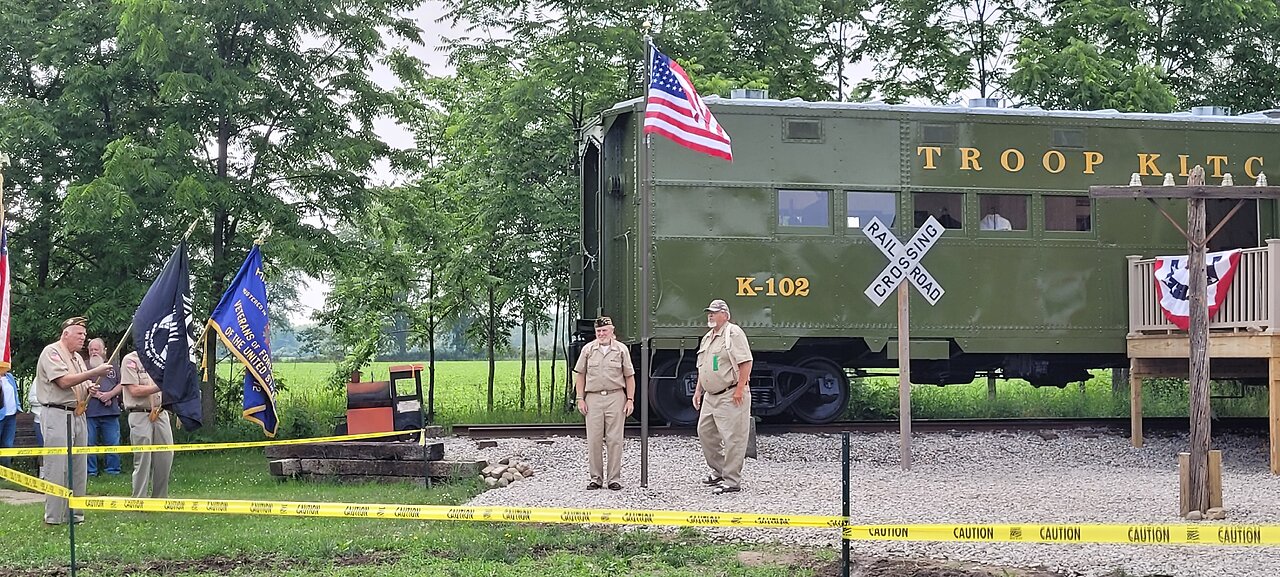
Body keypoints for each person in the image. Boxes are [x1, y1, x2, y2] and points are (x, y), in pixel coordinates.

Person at [36, 316, 113, 525]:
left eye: (85, 335)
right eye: (79, 334)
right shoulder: (52, 352)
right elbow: (63, 382)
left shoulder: (77, 358)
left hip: (79, 413)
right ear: (66, 334)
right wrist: (95, 371)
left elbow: (80, 380)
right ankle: (53, 516)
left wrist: (89, 386)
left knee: (79, 466)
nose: (83, 338)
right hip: (57, 413)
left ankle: (76, 514)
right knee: (57, 465)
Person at [692, 299, 753, 495]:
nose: (710, 315)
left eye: (714, 312)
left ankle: (732, 480)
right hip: (711, 396)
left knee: (733, 438)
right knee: (705, 432)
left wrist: (739, 389)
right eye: (709, 312)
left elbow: (746, 362)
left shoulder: (733, 333)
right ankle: (719, 471)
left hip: (730, 393)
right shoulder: (708, 337)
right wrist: (698, 390)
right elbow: (704, 366)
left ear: (725, 315)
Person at [572, 316, 635, 491]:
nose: (601, 334)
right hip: (593, 398)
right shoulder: (588, 350)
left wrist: (630, 399)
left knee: (615, 439)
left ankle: (614, 479)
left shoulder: (621, 350)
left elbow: (629, 377)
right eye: (598, 331)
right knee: (594, 440)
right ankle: (595, 478)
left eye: (604, 330)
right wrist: (580, 398)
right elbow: (580, 375)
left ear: (612, 330)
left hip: (616, 397)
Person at [119, 349, 173, 498]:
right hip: (139, 413)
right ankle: (139, 500)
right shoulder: (130, 360)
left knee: (166, 456)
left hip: (161, 413)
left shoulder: (161, 359)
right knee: (143, 458)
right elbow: (134, 390)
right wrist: (161, 385)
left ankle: (160, 499)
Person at [84, 338, 123, 476]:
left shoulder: (113, 366)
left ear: (104, 351)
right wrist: (98, 395)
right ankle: (91, 472)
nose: (94, 352)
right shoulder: (83, 366)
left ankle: (113, 471)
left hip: (110, 412)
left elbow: (122, 383)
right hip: (89, 413)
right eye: (91, 350)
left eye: (96, 349)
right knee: (89, 444)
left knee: (112, 443)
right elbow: (81, 383)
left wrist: (109, 395)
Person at [0, 370, 17, 467]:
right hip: (1, 415)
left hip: (11, 415)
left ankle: (6, 472)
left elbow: (15, 392)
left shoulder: (10, 377)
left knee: (8, 444)